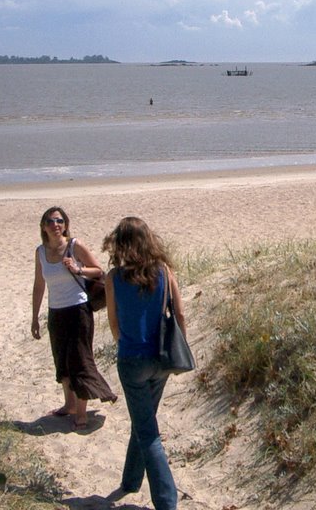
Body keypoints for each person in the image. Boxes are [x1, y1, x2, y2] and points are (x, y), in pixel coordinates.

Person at [104, 216, 186, 510]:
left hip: (132, 359)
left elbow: (114, 324)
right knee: (145, 418)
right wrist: (176, 351)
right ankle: (130, 480)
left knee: (148, 430)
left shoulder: (113, 278)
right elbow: (179, 314)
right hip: (161, 358)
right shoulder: (164, 270)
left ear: (120, 243)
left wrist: (126, 344)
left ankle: (166, 502)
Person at [31, 206, 117, 430]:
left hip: (78, 310)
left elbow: (98, 271)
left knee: (80, 359)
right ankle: (69, 405)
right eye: (50, 221)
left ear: (65, 225)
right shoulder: (40, 252)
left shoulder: (74, 245)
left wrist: (78, 268)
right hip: (55, 311)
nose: (55, 225)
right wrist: (34, 317)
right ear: (43, 226)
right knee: (62, 360)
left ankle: (81, 413)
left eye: (59, 221)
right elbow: (39, 286)